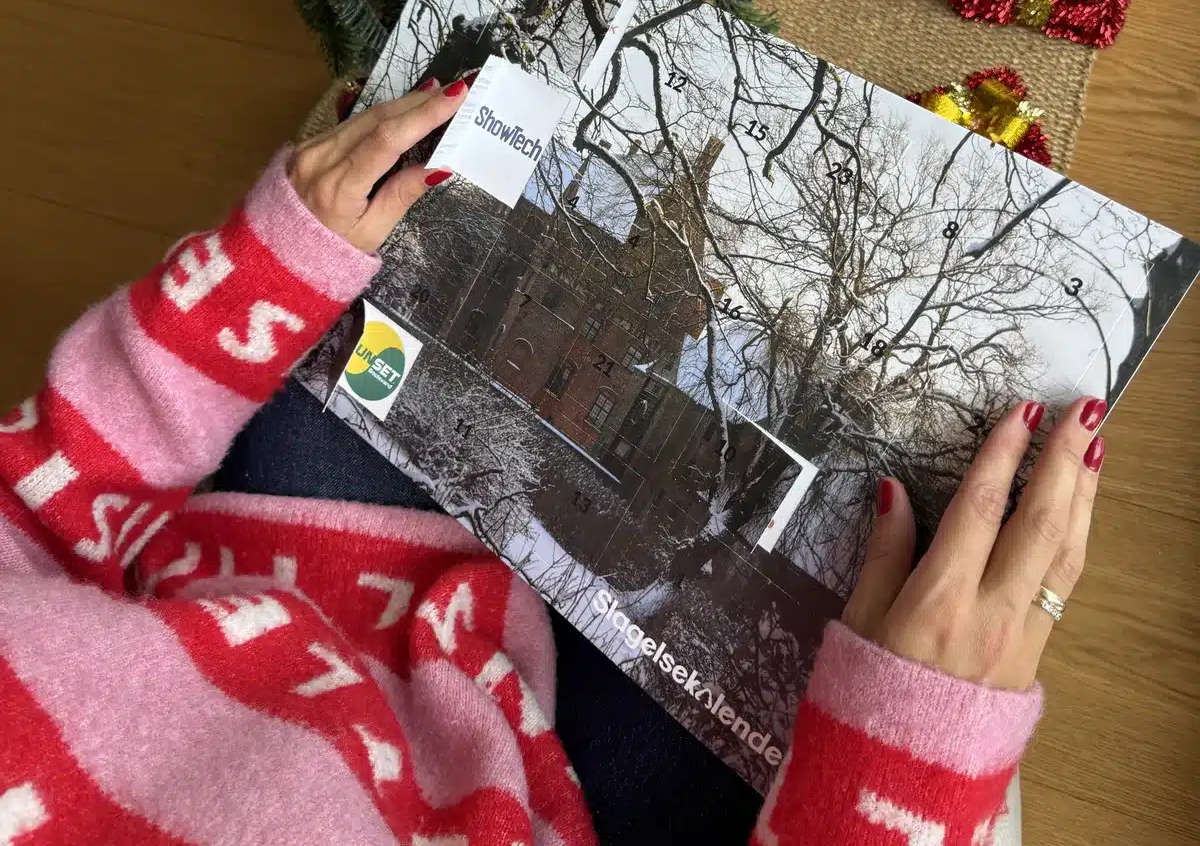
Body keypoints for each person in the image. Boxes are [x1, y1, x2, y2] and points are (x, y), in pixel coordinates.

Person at [0, 82, 1106, 845]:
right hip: (554, 808)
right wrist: (902, 767)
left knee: (368, 280)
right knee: (887, 605)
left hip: (292, 589)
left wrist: (250, 282)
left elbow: (29, 504)